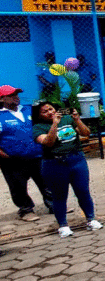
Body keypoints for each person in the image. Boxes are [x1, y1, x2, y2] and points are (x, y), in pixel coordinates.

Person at [33, 101, 102, 237]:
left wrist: (77, 119)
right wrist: (54, 124)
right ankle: (63, 225)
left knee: (83, 191)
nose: (50, 112)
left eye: (51, 109)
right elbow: (48, 142)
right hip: (55, 163)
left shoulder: (67, 119)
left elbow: (86, 133)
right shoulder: (38, 127)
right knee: (59, 196)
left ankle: (91, 219)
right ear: (39, 115)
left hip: (76, 159)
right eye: (45, 111)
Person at [0, 85, 53, 222]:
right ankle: (26, 210)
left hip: (37, 155)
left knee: (46, 181)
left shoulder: (29, 110)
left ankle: (54, 205)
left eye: (16, 94)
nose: (16, 97)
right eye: (11, 95)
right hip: (12, 159)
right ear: (2, 99)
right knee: (18, 186)